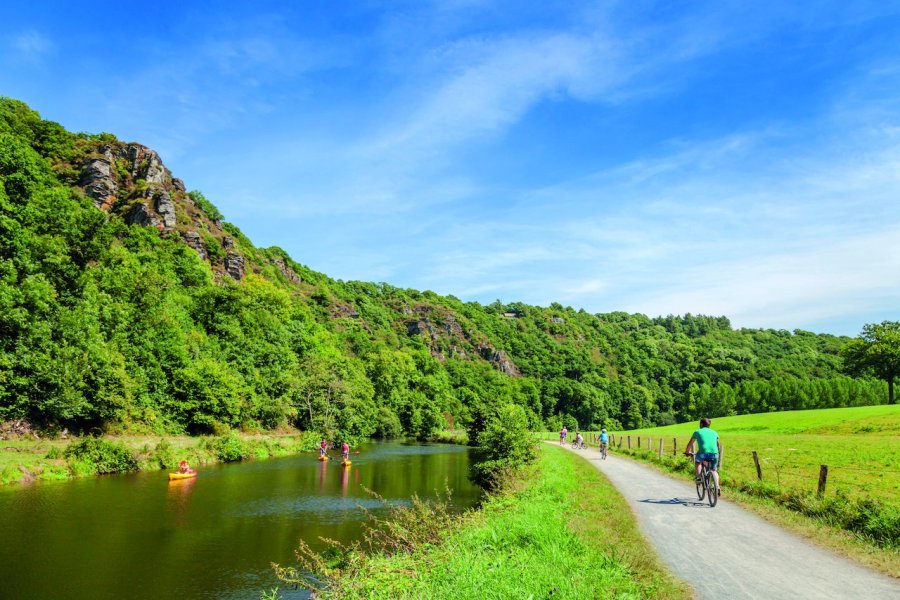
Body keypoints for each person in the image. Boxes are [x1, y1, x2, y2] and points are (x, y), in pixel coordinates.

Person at [684, 417, 722, 495]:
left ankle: (698, 477)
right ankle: (717, 486)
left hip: (702, 453)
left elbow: (690, 444)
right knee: (714, 470)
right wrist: (716, 452)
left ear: (701, 424)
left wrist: (687, 452)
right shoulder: (714, 432)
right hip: (714, 454)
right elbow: (718, 444)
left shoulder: (697, 432)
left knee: (698, 462)